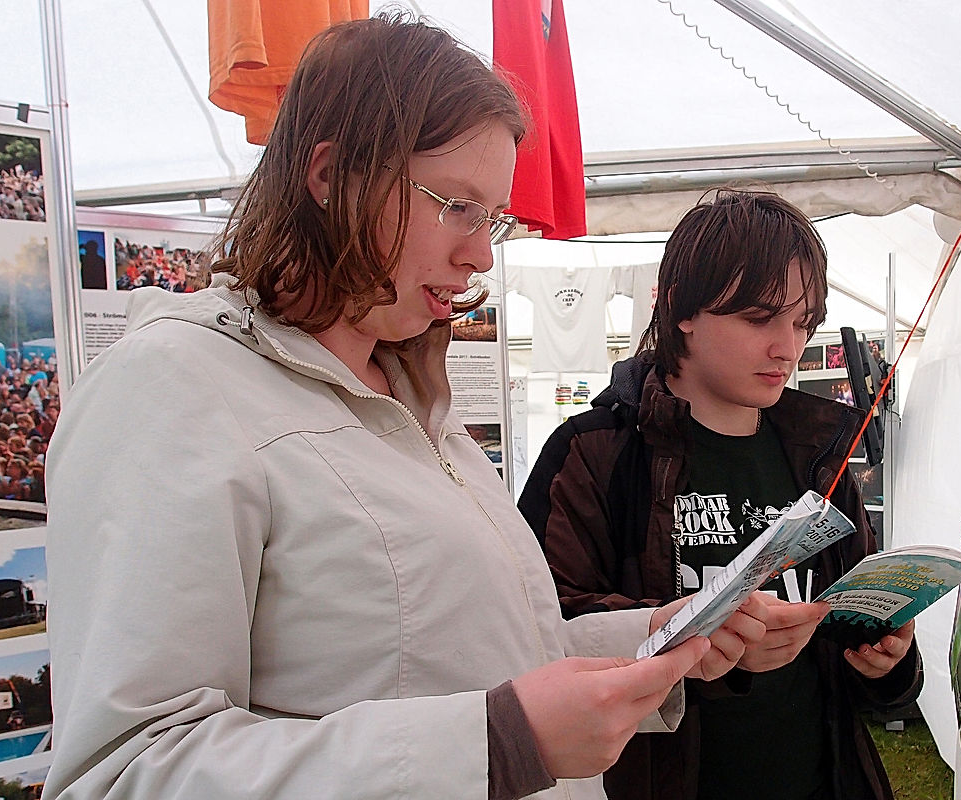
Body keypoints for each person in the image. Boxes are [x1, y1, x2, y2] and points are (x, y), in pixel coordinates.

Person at [42, 15, 771, 800]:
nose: (479, 253)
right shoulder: (174, 389)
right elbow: (122, 773)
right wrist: (493, 744)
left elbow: (478, 654)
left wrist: (659, 638)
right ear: (331, 177)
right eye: (455, 205)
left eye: (490, 216)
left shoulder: (416, 403)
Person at [519, 190, 923, 800]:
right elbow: (536, 633)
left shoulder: (819, 453)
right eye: (761, 318)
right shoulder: (595, 453)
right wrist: (695, 646)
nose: (787, 347)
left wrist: (887, 661)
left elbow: (845, 642)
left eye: (802, 323)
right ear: (683, 309)